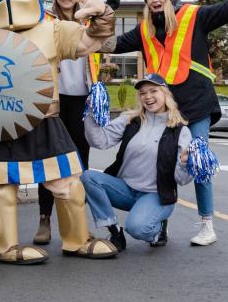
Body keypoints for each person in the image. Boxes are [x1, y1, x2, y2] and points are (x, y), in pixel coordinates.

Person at [0, 0, 118, 264]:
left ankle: (76, 238)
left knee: (68, 182)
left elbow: (90, 41)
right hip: (3, 122)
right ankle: (3, 246)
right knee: (0, 188)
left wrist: (103, 13)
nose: (9, 1)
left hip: (46, 117)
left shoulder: (52, 29)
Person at [100, 0, 228, 246]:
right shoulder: (144, 30)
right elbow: (108, 44)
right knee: (160, 163)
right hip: (163, 111)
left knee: (198, 161)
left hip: (196, 105)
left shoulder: (194, 16)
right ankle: (158, 227)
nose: (155, 0)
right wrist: (106, 12)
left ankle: (206, 225)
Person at [81, 73, 193, 250]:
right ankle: (114, 230)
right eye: (143, 93)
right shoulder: (130, 120)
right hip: (125, 190)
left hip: (156, 195)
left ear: (165, 94)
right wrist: (89, 113)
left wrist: (185, 162)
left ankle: (157, 229)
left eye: (153, 91)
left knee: (137, 228)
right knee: (88, 177)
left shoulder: (180, 131)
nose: (148, 97)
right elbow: (99, 141)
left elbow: (182, 179)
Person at [32, 0, 99, 245]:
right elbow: (28, 5)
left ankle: (77, 221)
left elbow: (104, 42)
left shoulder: (87, 23)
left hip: (82, 98)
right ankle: (44, 219)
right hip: (54, 98)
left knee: (80, 160)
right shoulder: (46, 20)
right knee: (49, 157)